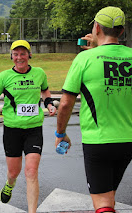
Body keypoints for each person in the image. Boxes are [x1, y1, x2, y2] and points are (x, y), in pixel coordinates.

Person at [55, 6, 132, 213]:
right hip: (127, 141)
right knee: (109, 197)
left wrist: (60, 133)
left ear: (96, 27)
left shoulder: (84, 59)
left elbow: (64, 104)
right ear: (122, 32)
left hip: (98, 141)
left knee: (103, 204)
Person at [0, 40, 56, 213]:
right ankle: (10, 184)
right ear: (11, 57)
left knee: (31, 171)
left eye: (23, 53)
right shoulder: (4, 77)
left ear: (30, 55)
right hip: (12, 129)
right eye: (16, 54)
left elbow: (45, 90)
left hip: (34, 128)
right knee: (13, 172)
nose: (19, 57)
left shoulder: (39, 73)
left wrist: (49, 103)